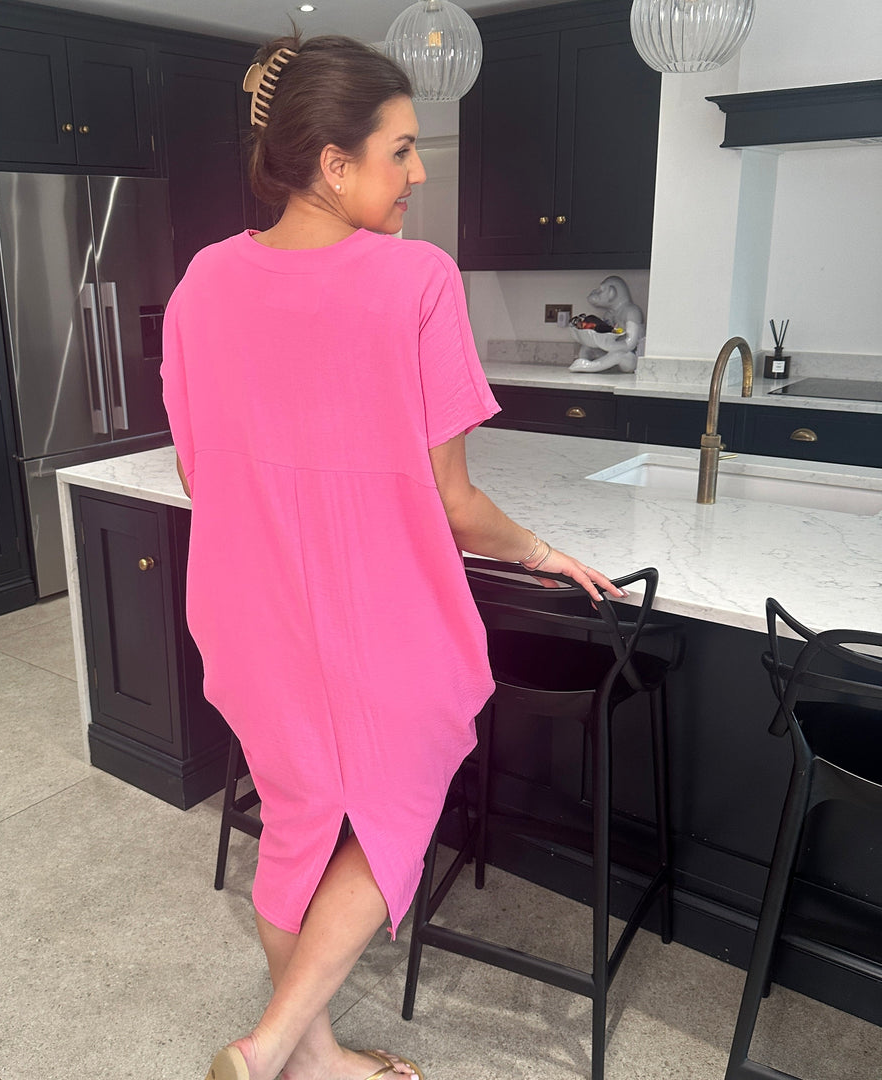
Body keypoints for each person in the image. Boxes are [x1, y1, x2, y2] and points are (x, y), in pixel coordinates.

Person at [160, 33, 624, 1080]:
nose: (418, 173)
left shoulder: (202, 281)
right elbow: (455, 504)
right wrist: (543, 551)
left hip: (246, 614)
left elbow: (199, 473)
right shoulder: (416, 279)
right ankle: (273, 1047)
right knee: (395, 812)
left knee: (296, 824)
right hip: (382, 619)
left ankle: (310, 1055)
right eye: (402, 150)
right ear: (334, 163)